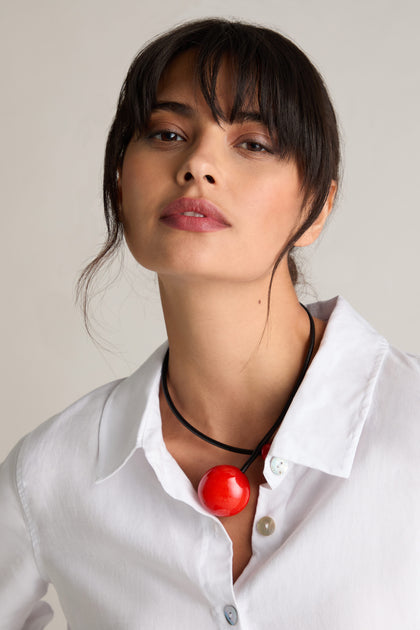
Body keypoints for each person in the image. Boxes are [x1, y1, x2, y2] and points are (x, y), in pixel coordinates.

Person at [1, 18, 419, 630]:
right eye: (168, 132)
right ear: (121, 185)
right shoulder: (51, 475)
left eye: (252, 143)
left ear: (317, 208)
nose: (197, 162)